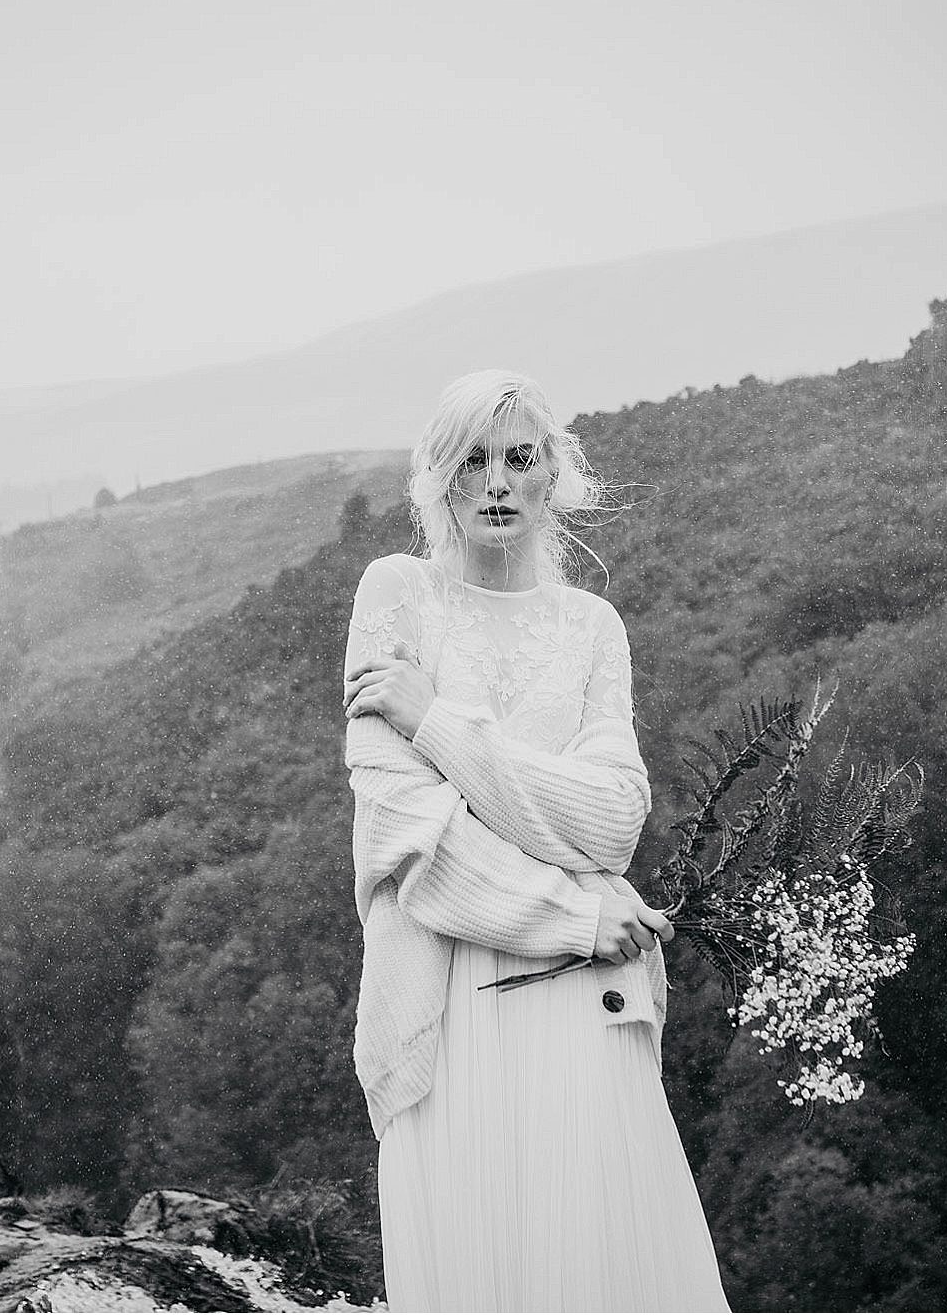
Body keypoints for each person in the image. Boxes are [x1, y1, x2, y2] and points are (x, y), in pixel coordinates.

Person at [342, 369, 730, 1311]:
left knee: (601, 1267)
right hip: (450, 997)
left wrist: (438, 725)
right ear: (436, 479)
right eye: (471, 460)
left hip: (580, 1004)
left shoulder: (592, 626)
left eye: (519, 458)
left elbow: (609, 819)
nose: (497, 483)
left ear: (553, 474)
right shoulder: (397, 595)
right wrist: (573, 906)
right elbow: (409, 836)